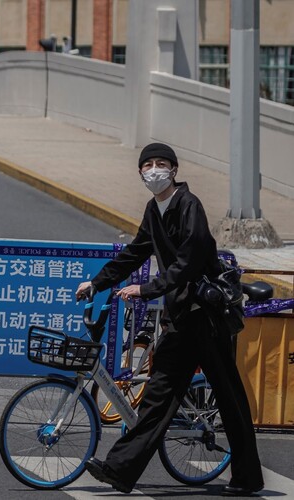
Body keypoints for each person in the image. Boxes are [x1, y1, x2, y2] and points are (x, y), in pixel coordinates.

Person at [75, 143, 263, 496]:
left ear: (174, 170)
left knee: (229, 398)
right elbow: (135, 252)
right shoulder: (154, 209)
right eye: (148, 164)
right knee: (158, 395)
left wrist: (146, 290)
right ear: (140, 173)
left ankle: (248, 478)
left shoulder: (188, 205)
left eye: (162, 163)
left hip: (206, 318)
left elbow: (190, 260)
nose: (154, 169)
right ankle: (119, 470)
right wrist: (97, 283)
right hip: (181, 319)